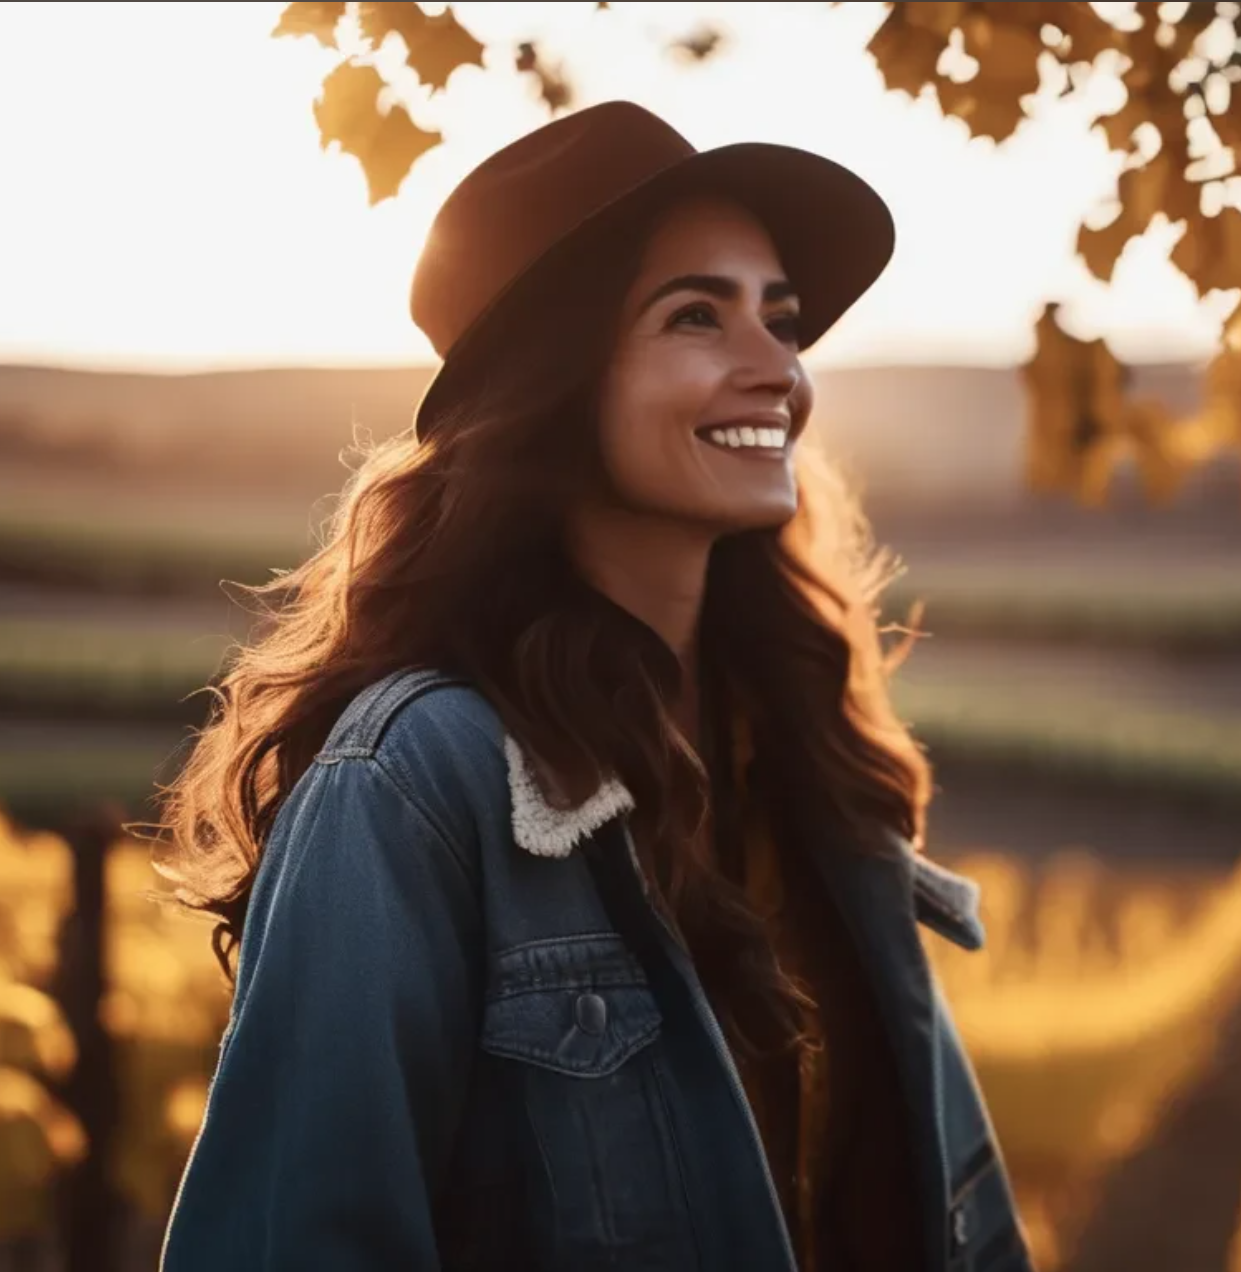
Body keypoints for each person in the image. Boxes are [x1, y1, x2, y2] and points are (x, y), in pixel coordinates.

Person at [153, 100, 1033, 1272]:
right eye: (694, 317)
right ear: (554, 382)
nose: (777, 368)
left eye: (779, 318)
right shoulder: (417, 784)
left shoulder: (802, 754)